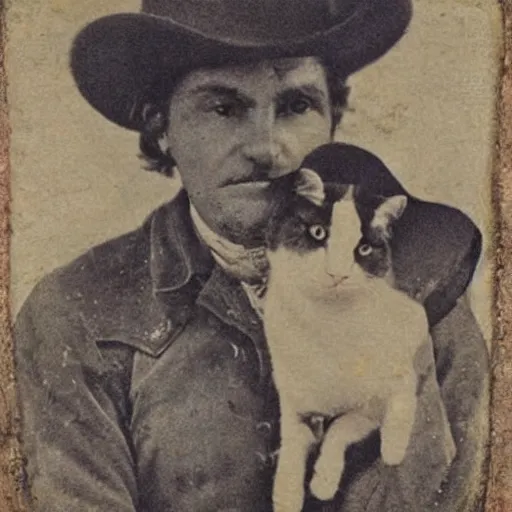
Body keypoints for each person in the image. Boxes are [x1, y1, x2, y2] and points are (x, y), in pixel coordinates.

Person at [14, 1, 489, 511]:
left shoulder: (424, 295)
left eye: (295, 107)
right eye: (224, 108)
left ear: (334, 117)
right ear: (161, 128)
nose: (267, 148)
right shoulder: (75, 313)